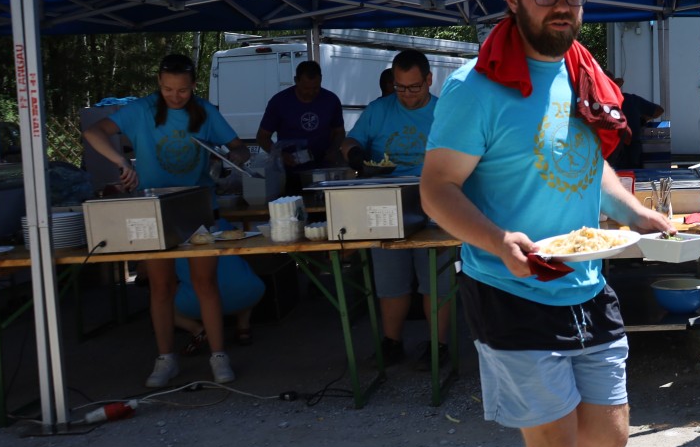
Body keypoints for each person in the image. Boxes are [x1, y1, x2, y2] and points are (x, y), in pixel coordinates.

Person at [421, 0, 671, 447]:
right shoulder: (476, 89)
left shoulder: (583, 74)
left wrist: (637, 213)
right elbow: (437, 190)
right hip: (511, 288)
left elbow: (590, 166)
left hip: (586, 279)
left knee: (610, 437)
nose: (564, 6)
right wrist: (498, 240)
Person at [83, 53, 249, 388]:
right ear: (159, 83)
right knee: (161, 287)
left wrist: (234, 156)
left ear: (194, 86)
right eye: (168, 89)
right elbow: (93, 132)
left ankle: (218, 355)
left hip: (198, 206)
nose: (175, 96)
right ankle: (166, 358)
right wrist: (121, 162)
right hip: (154, 208)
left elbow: (239, 148)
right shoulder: (141, 110)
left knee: (205, 283)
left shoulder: (205, 112)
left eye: (183, 90)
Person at [341, 49, 453, 370]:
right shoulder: (379, 110)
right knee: (390, 279)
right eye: (400, 87)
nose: (406, 94)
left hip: (435, 202)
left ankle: (439, 345)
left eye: (414, 87)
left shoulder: (446, 112)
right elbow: (349, 142)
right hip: (384, 203)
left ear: (429, 80)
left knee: (436, 279)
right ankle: (391, 342)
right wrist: (355, 156)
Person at [255, 59, 345, 189]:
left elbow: (339, 132)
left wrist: (333, 150)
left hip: (324, 170)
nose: (311, 92)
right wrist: (280, 155)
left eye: (316, 88)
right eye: (306, 88)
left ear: (321, 80)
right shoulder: (279, 102)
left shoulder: (331, 100)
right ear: (296, 80)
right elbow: (262, 137)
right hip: (290, 173)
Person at [175, 254, 264, 355]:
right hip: (250, 295)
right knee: (242, 280)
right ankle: (243, 328)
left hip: (197, 304)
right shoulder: (223, 244)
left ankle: (198, 330)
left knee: (164, 302)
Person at [605, 76, 663, 171]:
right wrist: (642, 120)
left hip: (618, 152)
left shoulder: (597, 102)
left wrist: (642, 120)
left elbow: (659, 110)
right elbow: (658, 111)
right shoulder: (630, 99)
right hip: (627, 153)